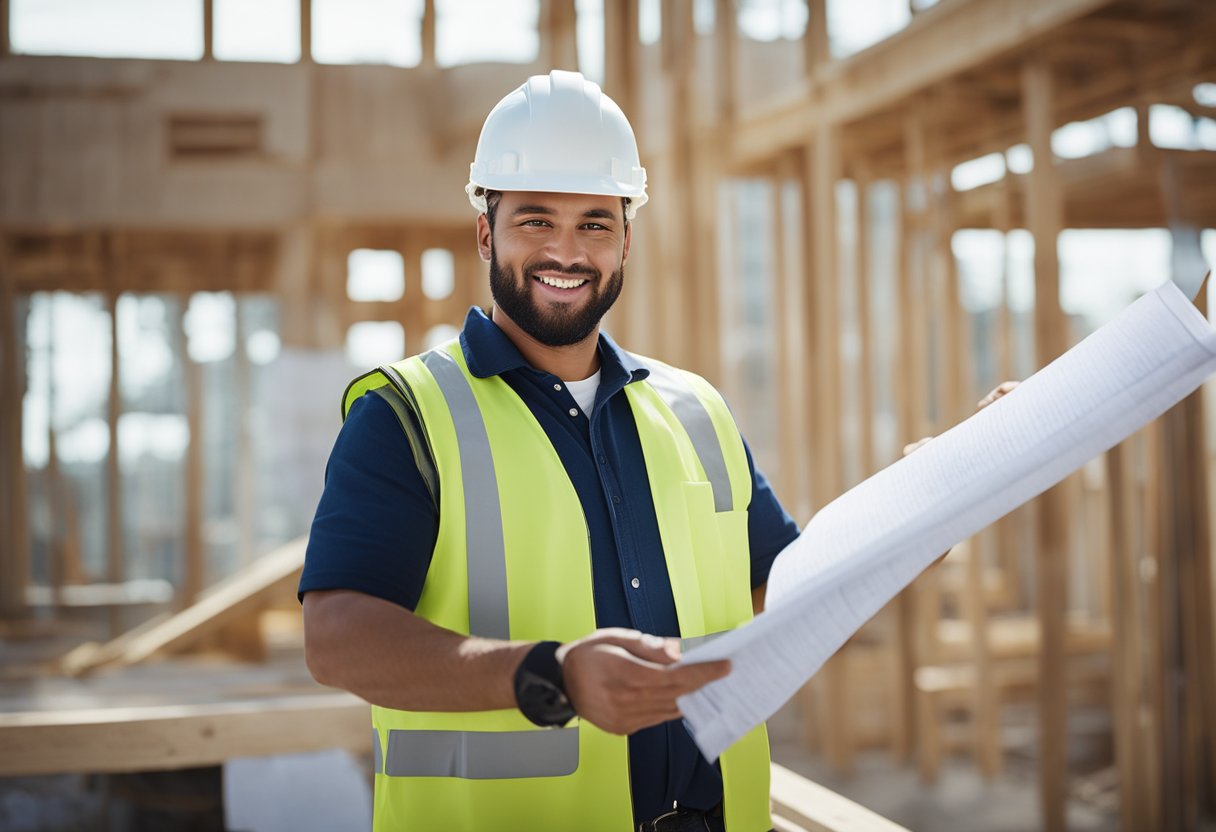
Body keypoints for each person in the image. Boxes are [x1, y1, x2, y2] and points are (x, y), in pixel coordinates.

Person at [300, 69, 799, 832]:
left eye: (595, 224)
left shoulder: (696, 411)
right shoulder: (407, 415)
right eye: (537, 221)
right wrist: (549, 674)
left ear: (626, 237)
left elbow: (777, 589)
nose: (566, 252)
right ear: (485, 231)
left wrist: (920, 505)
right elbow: (336, 640)